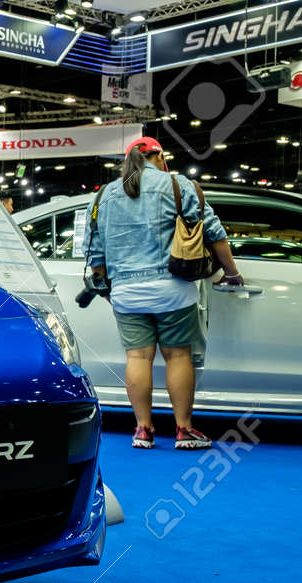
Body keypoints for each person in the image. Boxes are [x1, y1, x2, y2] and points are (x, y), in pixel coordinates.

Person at [85, 136, 240, 450]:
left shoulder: (104, 195)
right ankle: (184, 430)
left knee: (137, 357)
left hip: (126, 292)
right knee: (178, 355)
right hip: (174, 288)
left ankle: (143, 430)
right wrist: (232, 273)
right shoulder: (178, 185)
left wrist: (109, 291)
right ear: (159, 156)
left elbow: (95, 255)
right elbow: (213, 233)